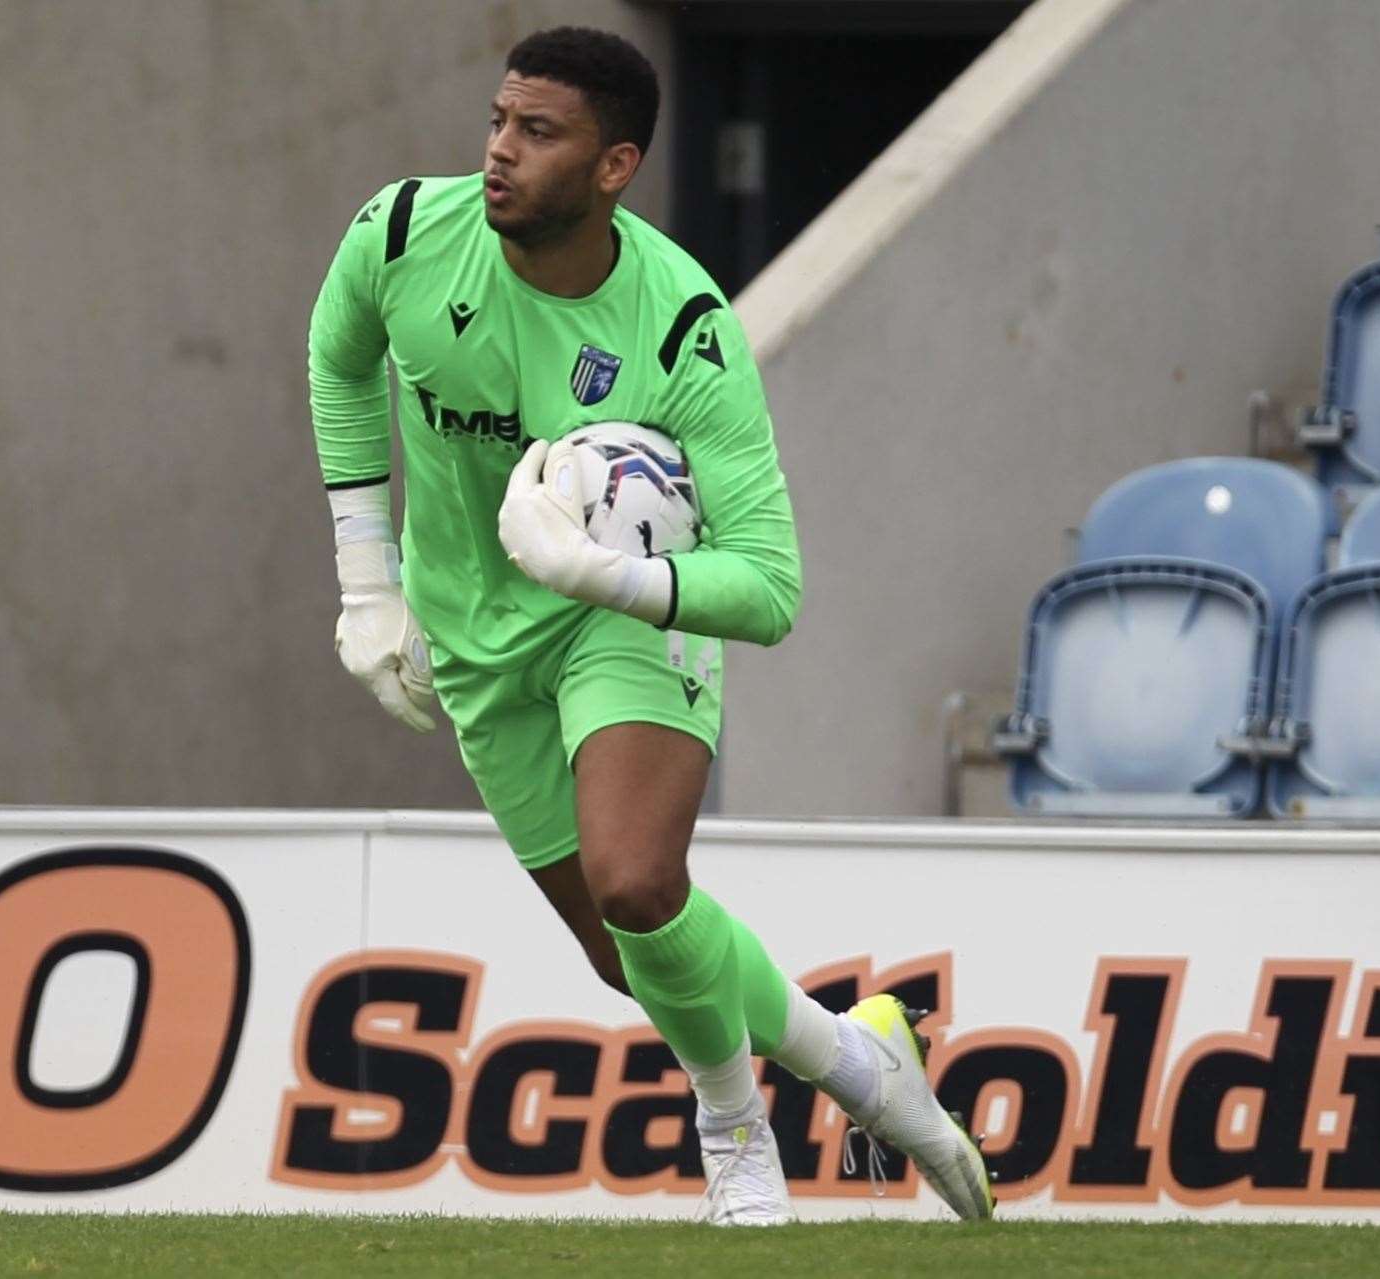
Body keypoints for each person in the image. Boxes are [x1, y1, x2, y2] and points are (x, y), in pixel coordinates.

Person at [308, 24, 992, 1226]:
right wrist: (367, 581)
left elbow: (769, 587)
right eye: (498, 120)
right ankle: (861, 1057)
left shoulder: (682, 327)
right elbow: (338, 357)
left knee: (634, 879)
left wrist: (603, 575)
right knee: (625, 953)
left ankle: (732, 1127)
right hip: (472, 632)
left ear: (615, 167)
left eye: (538, 132)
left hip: (621, 614)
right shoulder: (408, 233)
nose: (497, 154)